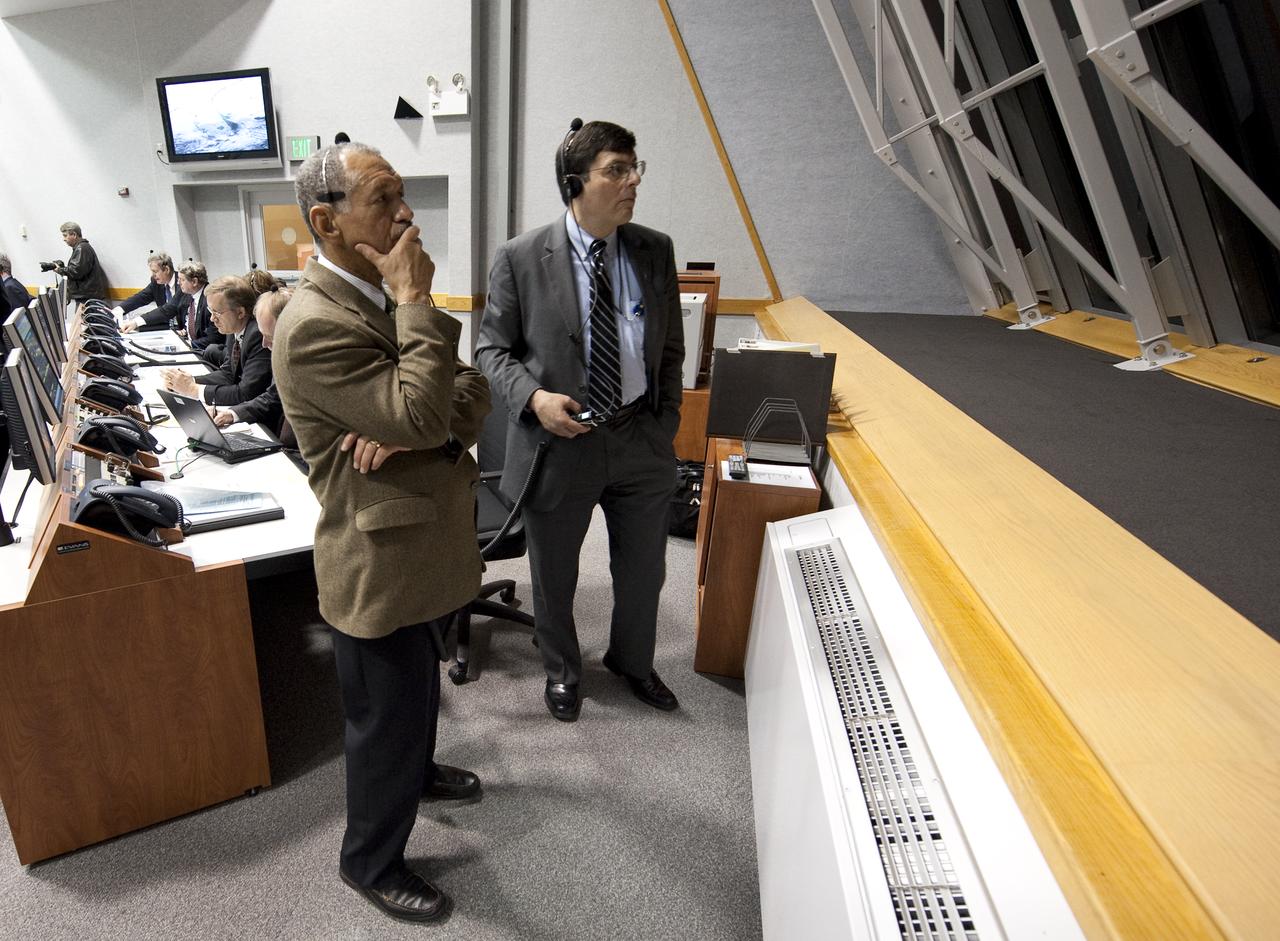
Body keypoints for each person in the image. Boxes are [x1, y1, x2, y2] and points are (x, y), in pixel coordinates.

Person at [272, 141, 489, 923]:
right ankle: (369, 859)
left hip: (419, 541)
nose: (405, 214)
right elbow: (433, 407)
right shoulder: (315, 324)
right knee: (382, 715)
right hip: (378, 557)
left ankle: (418, 769)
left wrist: (415, 418)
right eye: (385, 198)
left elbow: (470, 390)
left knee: (414, 690)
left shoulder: (377, 298)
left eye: (403, 196)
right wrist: (418, 399)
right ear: (327, 221)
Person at [475, 119, 683, 722]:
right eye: (616, 170)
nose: (632, 180)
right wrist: (535, 398)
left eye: (635, 167)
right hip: (560, 443)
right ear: (575, 183)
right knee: (556, 574)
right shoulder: (520, 256)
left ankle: (633, 662)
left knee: (644, 572)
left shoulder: (654, 249)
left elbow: (669, 349)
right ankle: (563, 671)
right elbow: (490, 350)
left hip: (640, 439)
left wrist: (665, 421)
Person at [161, 276, 272, 406]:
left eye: (217, 312)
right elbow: (228, 374)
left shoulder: (258, 336)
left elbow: (245, 393)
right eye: (210, 311)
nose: (212, 319)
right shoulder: (234, 328)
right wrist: (188, 381)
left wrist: (193, 390)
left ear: (240, 312)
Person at [210, 286, 296, 449]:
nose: (264, 343)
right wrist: (232, 414)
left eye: (270, 337)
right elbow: (272, 397)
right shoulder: (284, 358)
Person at [122, 260, 219, 352]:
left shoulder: (211, 300)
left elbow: (214, 338)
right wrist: (136, 322)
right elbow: (167, 310)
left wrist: (187, 344)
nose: (178, 283)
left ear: (194, 282)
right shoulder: (186, 293)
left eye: (182, 280)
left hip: (202, 352)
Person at [53, 222, 109, 302]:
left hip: (87, 298)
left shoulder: (82, 248)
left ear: (74, 235)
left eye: (65, 235)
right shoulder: (82, 248)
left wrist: (59, 269)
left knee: (82, 315)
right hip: (88, 296)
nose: (64, 239)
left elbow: (76, 272)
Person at [113, 251, 178, 318]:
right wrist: (119, 309)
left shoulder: (183, 283)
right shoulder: (156, 284)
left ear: (166, 270)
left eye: (155, 271)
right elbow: (140, 297)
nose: (153, 275)